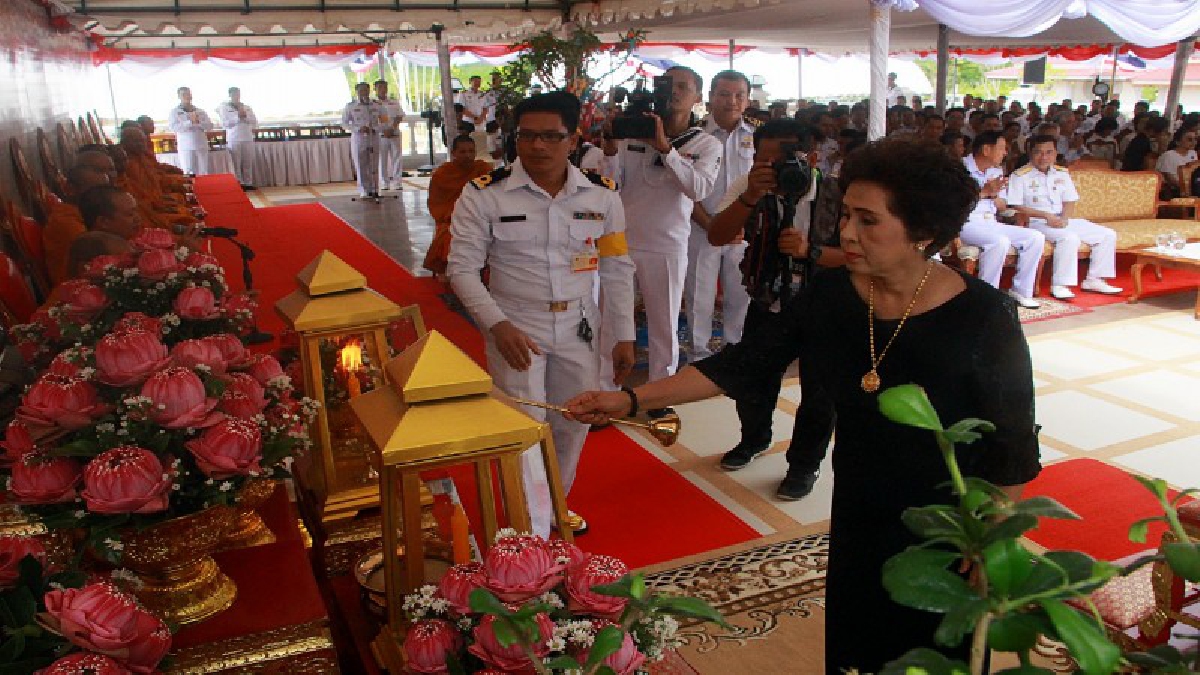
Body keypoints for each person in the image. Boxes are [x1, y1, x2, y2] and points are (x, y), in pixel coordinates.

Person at [566, 140, 1040, 673]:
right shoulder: (833, 295)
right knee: (854, 640)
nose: (846, 232)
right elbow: (743, 364)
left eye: (868, 221)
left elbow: (1013, 443)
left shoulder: (983, 317)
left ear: (923, 232)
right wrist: (629, 398)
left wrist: (991, 540)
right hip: (860, 503)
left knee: (930, 649)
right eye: (846, 215)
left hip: (949, 524)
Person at [448, 92, 636, 538]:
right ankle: (530, 531)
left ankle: (554, 504)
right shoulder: (484, 196)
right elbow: (462, 269)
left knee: (575, 419)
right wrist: (497, 326)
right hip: (515, 324)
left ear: (573, 139)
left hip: (579, 324)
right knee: (525, 425)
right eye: (527, 136)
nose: (537, 146)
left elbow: (616, 266)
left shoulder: (602, 195)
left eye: (550, 136)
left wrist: (623, 334)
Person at [705, 118, 844, 501]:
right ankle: (754, 440)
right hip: (769, 299)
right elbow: (716, 235)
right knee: (752, 381)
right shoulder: (753, 187)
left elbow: (859, 254)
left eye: (784, 158)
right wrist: (750, 196)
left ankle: (803, 466)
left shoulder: (839, 193)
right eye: (762, 159)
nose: (773, 168)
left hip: (827, 306)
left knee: (820, 394)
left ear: (812, 156)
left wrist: (811, 252)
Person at [601, 66, 722, 410]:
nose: (675, 92)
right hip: (621, 241)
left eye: (684, 87)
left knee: (664, 328)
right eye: (668, 85)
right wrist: (610, 147)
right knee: (611, 320)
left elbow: (697, 188)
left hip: (667, 244)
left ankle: (657, 398)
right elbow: (611, 183)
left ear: (698, 97)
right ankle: (605, 391)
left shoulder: (706, 143)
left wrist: (665, 148)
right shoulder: (632, 131)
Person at [685, 70, 755, 363]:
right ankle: (699, 357)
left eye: (739, 95)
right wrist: (711, 224)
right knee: (699, 296)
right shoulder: (693, 136)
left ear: (748, 99)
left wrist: (744, 224)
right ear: (711, 98)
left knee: (740, 295)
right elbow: (685, 188)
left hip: (741, 230)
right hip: (702, 226)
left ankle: (734, 352)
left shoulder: (756, 136)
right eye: (724, 94)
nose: (732, 101)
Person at [1001, 135, 1122, 300]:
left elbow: (1070, 200)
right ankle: (1060, 284)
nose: (1043, 157)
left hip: (1061, 220)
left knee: (1107, 234)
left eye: (1049, 152)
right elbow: (1015, 205)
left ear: (1056, 153)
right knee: (1069, 238)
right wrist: (1046, 216)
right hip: (1036, 222)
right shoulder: (1020, 175)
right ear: (1030, 153)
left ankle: (1095, 279)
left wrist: (1064, 219)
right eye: (1038, 152)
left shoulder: (1062, 173)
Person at [960, 131, 1045, 309]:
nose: (1005, 153)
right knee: (1000, 242)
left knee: (1035, 237)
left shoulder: (996, 170)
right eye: (1001, 148)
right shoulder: (960, 168)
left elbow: (1003, 205)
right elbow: (955, 203)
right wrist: (984, 192)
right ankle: (987, 295)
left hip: (990, 221)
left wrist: (994, 195)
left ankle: (1021, 291)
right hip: (965, 222)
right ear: (986, 149)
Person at [422, 135, 493, 278]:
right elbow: (437, 205)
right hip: (451, 219)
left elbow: (493, 198)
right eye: (462, 152)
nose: (467, 156)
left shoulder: (483, 170)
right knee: (450, 236)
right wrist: (457, 215)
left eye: (471, 151)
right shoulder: (442, 175)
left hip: (481, 217)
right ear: (453, 153)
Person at [44, 161, 111, 285]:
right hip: (76, 291)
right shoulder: (67, 224)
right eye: (94, 190)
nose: (103, 197)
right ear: (70, 189)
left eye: (104, 190)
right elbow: (102, 258)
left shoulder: (87, 213)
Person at [342, 82, 385, 199]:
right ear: (357, 92)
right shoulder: (351, 106)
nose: (364, 93)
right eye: (361, 90)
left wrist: (376, 128)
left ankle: (375, 188)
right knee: (361, 164)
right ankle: (364, 189)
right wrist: (358, 128)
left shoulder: (376, 105)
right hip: (359, 138)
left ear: (369, 91)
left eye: (366, 90)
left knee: (374, 163)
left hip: (374, 136)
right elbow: (344, 124)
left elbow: (385, 121)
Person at [216, 87, 258, 190]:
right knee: (236, 162)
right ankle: (239, 183)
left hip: (247, 137)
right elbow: (225, 123)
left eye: (238, 94)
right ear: (230, 95)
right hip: (234, 138)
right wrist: (238, 117)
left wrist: (245, 117)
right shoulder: (224, 108)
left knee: (247, 161)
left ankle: (248, 183)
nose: (237, 96)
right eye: (234, 94)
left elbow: (254, 122)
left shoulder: (246, 107)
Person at [167, 86, 214, 175]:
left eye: (188, 94)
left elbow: (210, 126)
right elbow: (174, 128)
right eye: (184, 94)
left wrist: (198, 122)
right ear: (179, 97)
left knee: (203, 171)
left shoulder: (200, 111)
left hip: (201, 145)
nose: (187, 96)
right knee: (189, 171)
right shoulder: (174, 112)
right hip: (186, 147)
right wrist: (189, 122)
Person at [374, 80, 406, 191]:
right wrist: (384, 130)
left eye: (385, 87)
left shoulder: (394, 102)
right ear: (375, 89)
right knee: (382, 159)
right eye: (380, 87)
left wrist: (392, 128)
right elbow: (374, 119)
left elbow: (399, 116)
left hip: (394, 133)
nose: (383, 89)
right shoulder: (373, 104)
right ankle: (384, 182)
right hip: (381, 135)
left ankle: (397, 182)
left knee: (397, 158)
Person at [1156, 128, 1198, 199]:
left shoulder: (1193, 153)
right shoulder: (1168, 156)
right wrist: (1188, 189)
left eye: (1195, 139)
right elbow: (1170, 179)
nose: (1194, 142)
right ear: (1178, 142)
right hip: (1173, 191)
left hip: (1189, 189)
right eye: (1189, 140)